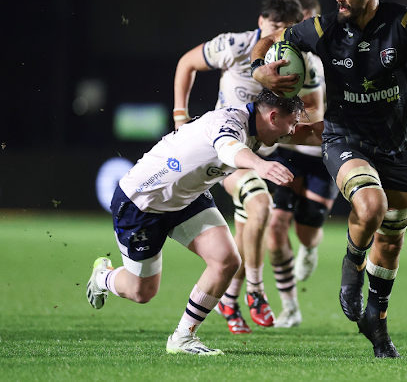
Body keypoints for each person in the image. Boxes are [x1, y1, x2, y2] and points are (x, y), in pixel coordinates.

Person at [249, 0, 407, 357]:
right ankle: (352, 266)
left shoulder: (406, 23)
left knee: (392, 237)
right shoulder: (322, 28)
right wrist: (257, 70)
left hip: (396, 144)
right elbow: (272, 39)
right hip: (344, 137)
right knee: (371, 206)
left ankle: (377, 316)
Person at [85, 90, 321, 355]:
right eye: (291, 122)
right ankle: (103, 277)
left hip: (187, 199)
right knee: (141, 292)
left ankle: (182, 338)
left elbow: (310, 134)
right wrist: (260, 165)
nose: (292, 130)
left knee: (227, 260)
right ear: (273, 116)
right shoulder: (232, 122)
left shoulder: (263, 127)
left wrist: (357, 132)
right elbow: (229, 149)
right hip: (143, 202)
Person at [172, 0, 313, 332]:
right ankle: (256, 291)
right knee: (260, 204)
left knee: (246, 230)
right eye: (275, 26)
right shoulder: (236, 45)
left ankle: (228, 300)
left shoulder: (297, 58)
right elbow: (186, 63)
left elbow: (303, 115)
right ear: (261, 23)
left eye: (287, 29)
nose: (279, 35)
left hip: (266, 150)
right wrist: (180, 117)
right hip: (230, 152)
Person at [263, 0, 338, 328]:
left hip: (321, 153)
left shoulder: (321, 58)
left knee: (306, 233)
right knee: (276, 226)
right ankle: (290, 307)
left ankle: (309, 249)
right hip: (288, 153)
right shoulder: (279, 53)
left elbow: (317, 111)